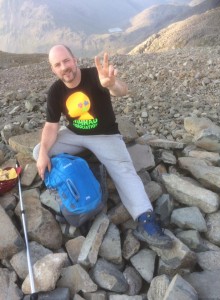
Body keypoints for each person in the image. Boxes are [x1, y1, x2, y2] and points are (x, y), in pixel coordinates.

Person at [33, 44, 173, 249]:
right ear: (53, 69)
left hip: (105, 135)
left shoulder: (94, 76)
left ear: (75, 60)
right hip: (75, 134)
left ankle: (146, 220)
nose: (64, 67)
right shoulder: (56, 91)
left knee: (124, 170)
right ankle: (70, 182)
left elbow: (122, 91)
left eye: (66, 61)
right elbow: (51, 126)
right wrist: (44, 152)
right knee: (39, 151)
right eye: (58, 64)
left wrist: (112, 84)